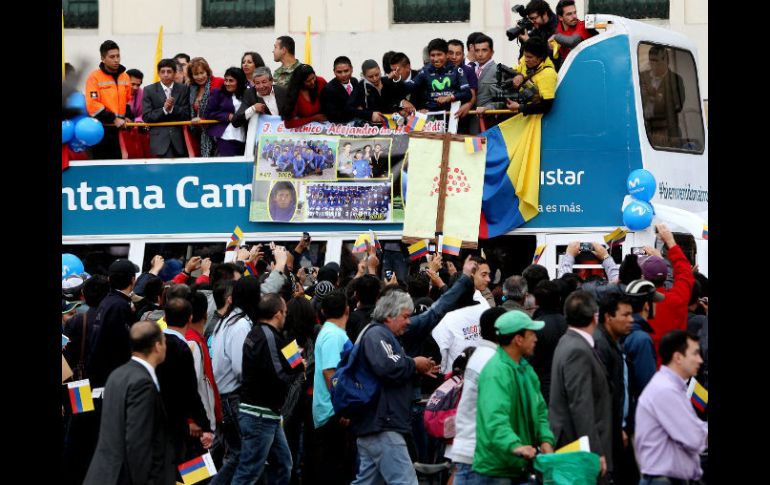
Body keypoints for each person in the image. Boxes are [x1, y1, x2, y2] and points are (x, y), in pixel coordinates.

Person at [350, 291, 440, 485]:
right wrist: (414, 364)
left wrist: (415, 368)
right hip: (384, 424)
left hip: (376, 424)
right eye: (406, 316)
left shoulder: (380, 334)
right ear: (389, 315)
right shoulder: (377, 334)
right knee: (406, 482)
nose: (409, 322)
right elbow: (387, 366)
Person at [83, 321, 175, 485]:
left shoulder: (117, 374)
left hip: (104, 473)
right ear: (157, 346)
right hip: (125, 477)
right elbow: (138, 442)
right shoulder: (142, 384)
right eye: (164, 342)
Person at [231, 294, 305, 485]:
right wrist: (299, 371)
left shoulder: (258, 332)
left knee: (282, 464)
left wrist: (296, 362)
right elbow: (279, 374)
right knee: (249, 471)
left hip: (266, 414)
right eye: (285, 313)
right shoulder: (268, 336)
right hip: (259, 415)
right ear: (278, 313)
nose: (286, 317)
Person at [474, 310, 555, 481]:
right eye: (531, 333)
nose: (536, 339)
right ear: (518, 339)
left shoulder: (526, 369)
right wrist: (516, 446)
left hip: (520, 466)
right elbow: (495, 419)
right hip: (497, 470)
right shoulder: (496, 373)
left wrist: (546, 440)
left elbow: (540, 411)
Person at [549, 290, 612, 479]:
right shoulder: (577, 349)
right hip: (578, 447)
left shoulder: (567, 341)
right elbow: (581, 404)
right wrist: (594, 451)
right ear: (595, 317)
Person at [635, 330, 708, 484]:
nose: (700, 360)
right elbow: (693, 437)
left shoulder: (673, 387)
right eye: (695, 354)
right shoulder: (665, 390)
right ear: (678, 357)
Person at [448, 306, 504, 484]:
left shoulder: (480, 355)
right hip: (479, 452)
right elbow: (494, 412)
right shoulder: (491, 362)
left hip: (471, 448)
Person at [594, 292, 638, 485]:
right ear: (608, 317)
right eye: (625, 315)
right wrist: (617, 426)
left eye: (631, 314)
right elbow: (602, 395)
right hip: (610, 434)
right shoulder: (601, 346)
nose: (631, 320)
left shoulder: (613, 342)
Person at [312, 291, 355, 484]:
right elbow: (330, 373)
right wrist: (342, 407)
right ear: (347, 309)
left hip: (333, 410)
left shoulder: (333, 332)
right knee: (333, 470)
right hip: (332, 412)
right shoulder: (332, 335)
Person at [642, 224, 694, 363]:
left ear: (642, 277)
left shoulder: (635, 305)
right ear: (666, 276)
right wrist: (670, 242)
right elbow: (685, 273)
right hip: (676, 368)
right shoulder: (678, 298)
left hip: (647, 372)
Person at [85, 40, 133, 159]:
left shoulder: (125, 76)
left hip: (120, 129)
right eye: (112, 57)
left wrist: (127, 116)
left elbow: (128, 100)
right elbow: (92, 105)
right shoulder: (94, 77)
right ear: (103, 58)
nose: (116, 60)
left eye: (118, 56)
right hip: (100, 130)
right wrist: (113, 119)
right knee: (100, 168)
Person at [401, 38, 472, 113]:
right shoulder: (425, 71)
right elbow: (407, 87)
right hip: (431, 117)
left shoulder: (457, 71)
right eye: (432, 55)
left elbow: (467, 94)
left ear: (447, 54)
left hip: (452, 115)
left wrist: (450, 97)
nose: (436, 59)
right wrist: (402, 100)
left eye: (439, 55)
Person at [142, 58, 191, 158]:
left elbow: (187, 114)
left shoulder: (183, 89)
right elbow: (146, 116)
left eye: (169, 71)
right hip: (160, 140)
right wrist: (164, 110)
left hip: (180, 140)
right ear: (158, 73)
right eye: (162, 71)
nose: (165, 74)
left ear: (175, 73)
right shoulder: (149, 90)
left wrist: (173, 109)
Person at [639, 46, 685, 147]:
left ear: (666, 61)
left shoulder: (675, 80)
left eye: (656, 61)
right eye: (651, 61)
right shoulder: (642, 76)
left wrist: (655, 95)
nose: (652, 65)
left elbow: (677, 106)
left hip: (666, 131)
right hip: (643, 128)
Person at [505, 37, 557, 116]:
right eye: (525, 56)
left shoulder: (548, 74)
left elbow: (546, 106)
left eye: (529, 57)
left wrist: (520, 107)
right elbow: (515, 70)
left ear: (541, 57)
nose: (526, 60)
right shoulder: (525, 59)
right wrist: (520, 75)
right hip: (520, 113)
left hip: (535, 120)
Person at [206, 67, 249, 156]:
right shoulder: (218, 93)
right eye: (226, 80)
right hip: (225, 136)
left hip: (244, 137)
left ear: (239, 81)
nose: (227, 83)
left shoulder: (247, 94)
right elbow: (208, 113)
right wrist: (227, 116)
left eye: (231, 81)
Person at [187, 57, 224, 157]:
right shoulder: (191, 88)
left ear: (207, 71)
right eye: (196, 74)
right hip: (199, 135)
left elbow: (224, 108)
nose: (200, 77)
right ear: (191, 76)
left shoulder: (219, 82)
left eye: (202, 73)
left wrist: (203, 119)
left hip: (218, 134)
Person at [281, 64, 328, 128]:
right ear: (300, 82)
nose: (313, 82)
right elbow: (288, 124)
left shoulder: (321, 81)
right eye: (308, 81)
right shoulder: (295, 94)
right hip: (305, 133)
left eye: (313, 78)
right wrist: (313, 118)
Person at [550, 0, 596, 65]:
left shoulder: (583, 25)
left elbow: (572, 41)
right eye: (569, 14)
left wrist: (555, 37)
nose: (574, 16)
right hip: (569, 67)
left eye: (575, 12)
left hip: (589, 64)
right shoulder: (558, 29)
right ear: (560, 18)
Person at [320, 56, 360, 123]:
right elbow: (333, 116)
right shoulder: (328, 90)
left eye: (346, 71)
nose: (343, 75)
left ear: (351, 69)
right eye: (339, 72)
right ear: (334, 72)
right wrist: (358, 112)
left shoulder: (354, 81)